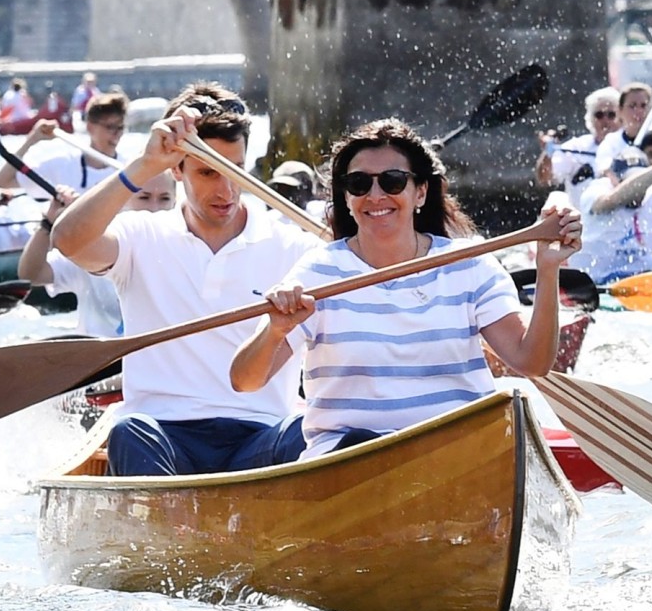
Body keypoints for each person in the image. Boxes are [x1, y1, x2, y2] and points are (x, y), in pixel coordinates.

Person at [228, 119, 582, 458]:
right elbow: (245, 381)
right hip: (351, 460)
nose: (376, 195)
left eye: (393, 181)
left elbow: (531, 363)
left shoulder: (470, 262)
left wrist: (547, 270)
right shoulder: (317, 272)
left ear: (421, 192)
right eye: (359, 184)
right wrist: (276, 331)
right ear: (347, 199)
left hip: (459, 453)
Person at [51, 82, 320, 476]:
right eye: (208, 172)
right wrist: (143, 166)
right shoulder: (140, 235)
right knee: (130, 429)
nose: (226, 190)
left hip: (259, 437)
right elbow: (68, 240)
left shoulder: (296, 247)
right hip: (160, 434)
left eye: (235, 170)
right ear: (176, 168)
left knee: (309, 430)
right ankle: (168, 532)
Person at [19, 173, 177, 337]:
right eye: (144, 198)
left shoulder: (186, 248)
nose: (154, 208)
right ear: (122, 200)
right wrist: (48, 223)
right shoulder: (93, 246)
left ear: (175, 201)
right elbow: (32, 275)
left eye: (164, 199)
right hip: (101, 358)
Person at [574, 146, 652, 284]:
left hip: (647, 287)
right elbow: (611, 200)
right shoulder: (596, 190)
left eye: (644, 185)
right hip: (597, 285)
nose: (638, 192)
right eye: (630, 181)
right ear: (612, 177)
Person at [0, 92, 129, 201]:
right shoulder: (63, 165)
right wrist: (31, 141)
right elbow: (2, 182)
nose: (117, 134)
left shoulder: (130, 168)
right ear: (90, 127)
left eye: (121, 127)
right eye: (110, 127)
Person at [535, 86, 621, 210]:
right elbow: (545, 179)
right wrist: (548, 152)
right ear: (591, 118)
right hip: (580, 221)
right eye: (599, 115)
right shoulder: (576, 146)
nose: (605, 120)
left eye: (611, 115)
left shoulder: (629, 147)